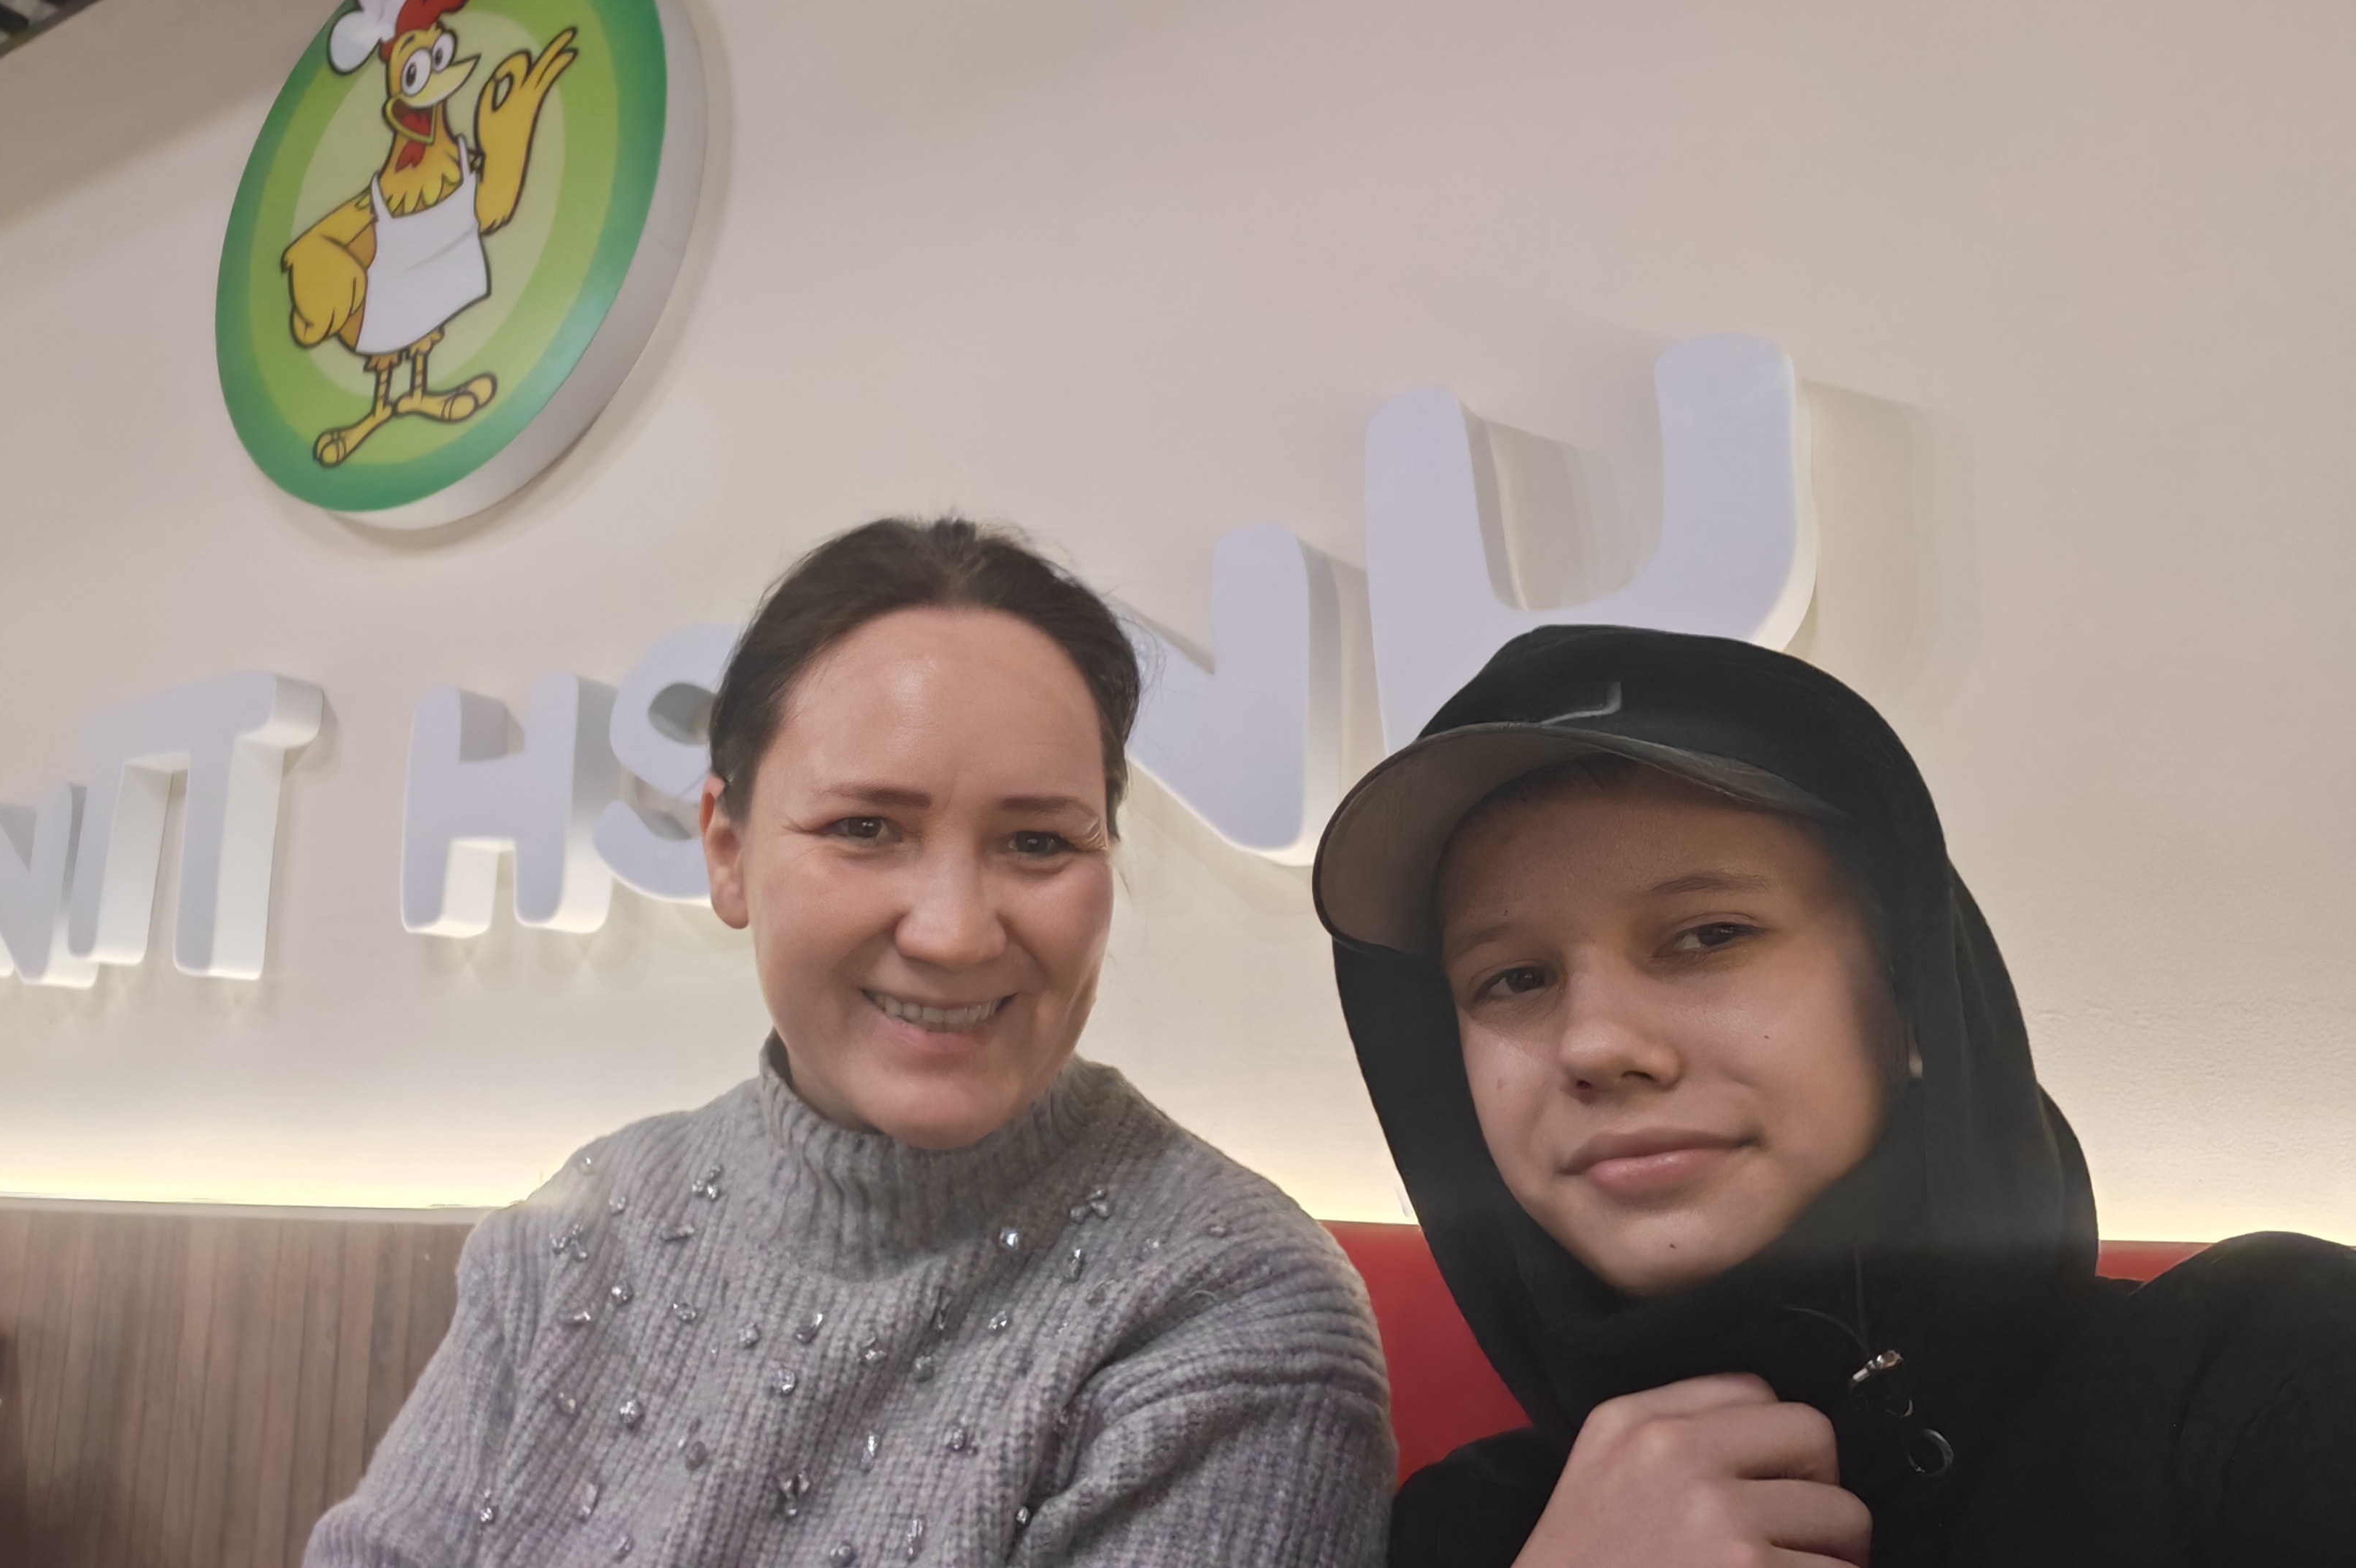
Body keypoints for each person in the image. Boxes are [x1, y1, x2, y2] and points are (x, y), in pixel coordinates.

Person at [309, 517, 1395, 1568]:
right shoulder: (579, 1231)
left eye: (1036, 841)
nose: (955, 933)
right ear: (726, 852)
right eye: (865, 829)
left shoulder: (1229, 1306)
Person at [1311, 623, 2356, 1568]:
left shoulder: (2268, 1375)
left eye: (1709, 935)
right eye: (1514, 979)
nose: (1596, 1044)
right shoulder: (1462, 1528)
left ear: (1910, 999)